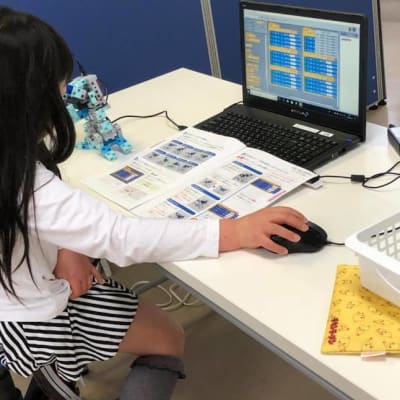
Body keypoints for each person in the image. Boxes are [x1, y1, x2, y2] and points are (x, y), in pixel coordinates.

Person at [0, 6, 310, 400]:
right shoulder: (32, 189)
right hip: (31, 319)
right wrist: (232, 231)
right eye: (60, 86)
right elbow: (122, 237)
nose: (67, 92)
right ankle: (54, 374)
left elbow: (45, 222)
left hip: (19, 292)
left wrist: (68, 245)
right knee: (166, 338)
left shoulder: (12, 158)